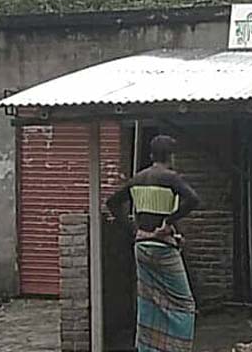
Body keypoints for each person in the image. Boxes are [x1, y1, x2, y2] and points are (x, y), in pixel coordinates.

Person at [106, 135, 201, 352]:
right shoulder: (171, 178)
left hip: (141, 246)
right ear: (171, 156)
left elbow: (112, 203)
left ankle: (148, 348)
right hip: (163, 248)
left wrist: (134, 230)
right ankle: (178, 348)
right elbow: (194, 200)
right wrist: (169, 222)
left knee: (149, 301)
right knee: (184, 304)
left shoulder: (137, 179)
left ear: (151, 156)